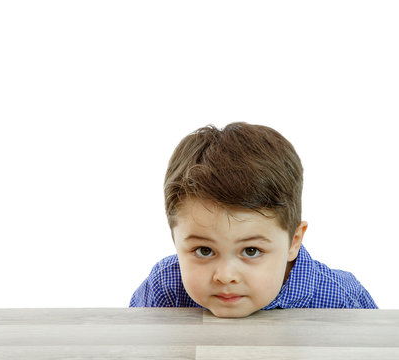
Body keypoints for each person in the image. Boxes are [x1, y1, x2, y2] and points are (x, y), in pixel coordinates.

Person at [130, 122, 377, 318]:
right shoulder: (164, 288)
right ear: (175, 239)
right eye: (204, 250)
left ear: (294, 241)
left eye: (251, 250)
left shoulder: (341, 299)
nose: (225, 276)